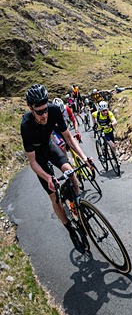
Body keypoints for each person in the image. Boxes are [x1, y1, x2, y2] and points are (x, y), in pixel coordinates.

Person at [20, 84, 95, 249]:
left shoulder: (53, 110)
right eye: (39, 112)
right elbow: (32, 161)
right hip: (38, 157)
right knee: (54, 195)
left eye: (45, 109)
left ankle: (78, 204)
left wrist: (84, 158)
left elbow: (68, 138)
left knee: (70, 172)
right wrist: (48, 178)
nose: (44, 115)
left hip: (49, 146)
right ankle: (69, 228)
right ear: (31, 109)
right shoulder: (26, 125)